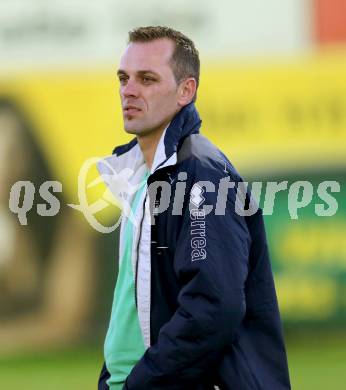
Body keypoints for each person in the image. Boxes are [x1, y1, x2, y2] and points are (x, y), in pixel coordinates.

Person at [97, 26, 290, 390]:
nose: (129, 90)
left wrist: (143, 381)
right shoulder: (142, 177)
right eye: (124, 78)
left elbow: (213, 308)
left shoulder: (201, 175)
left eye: (147, 79)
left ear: (186, 90)